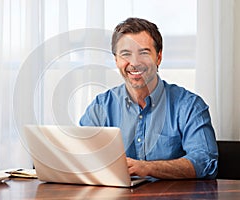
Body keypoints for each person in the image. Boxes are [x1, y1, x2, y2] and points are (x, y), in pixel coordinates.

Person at [79, 17, 218, 179]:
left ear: (158, 57)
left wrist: (147, 168)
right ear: (116, 60)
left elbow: (206, 163)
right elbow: (79, 157)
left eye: (143, 53)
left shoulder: (190, 106)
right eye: (125, 54)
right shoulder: (100, 107)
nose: (135, 62)